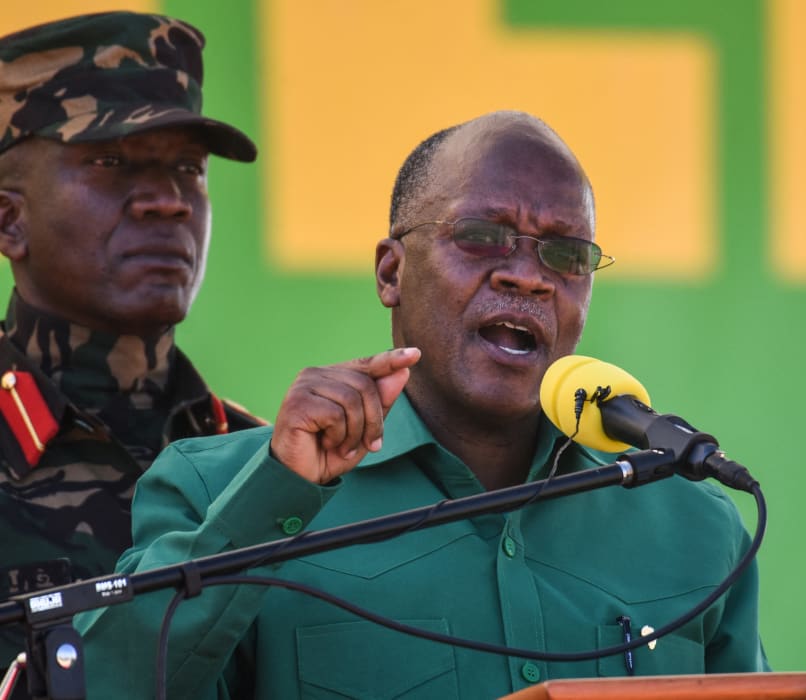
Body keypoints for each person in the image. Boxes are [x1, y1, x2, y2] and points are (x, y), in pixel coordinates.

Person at [78, 111, 768, 698]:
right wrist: (274, 497)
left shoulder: (693, 524)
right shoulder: (219, 488)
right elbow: (111, 685)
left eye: (565, 253)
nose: (525, 275)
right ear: (391, 272)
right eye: (481, 236)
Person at [0, 10, 265, 670]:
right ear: (8, 220)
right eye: (111, 160)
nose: (169, 200)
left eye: (190, 168)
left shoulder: (256, 464)